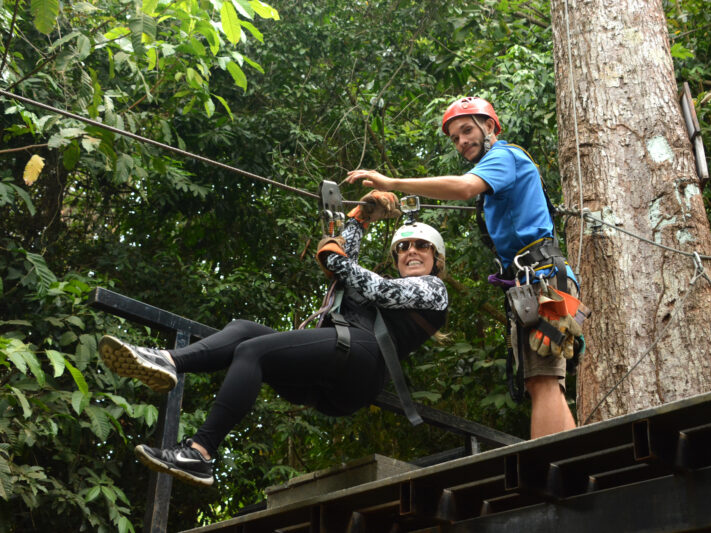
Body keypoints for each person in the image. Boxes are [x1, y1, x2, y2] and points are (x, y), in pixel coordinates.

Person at [98, 191, 448, 487]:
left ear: (436, 259)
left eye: (421, 246)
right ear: (396, 256)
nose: (412, 251)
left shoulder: (433, 289)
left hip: (363, 362)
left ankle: (199, 453)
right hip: (333, 372)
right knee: (244, 329)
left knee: (254, 351)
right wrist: (360, 218)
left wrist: (334, 257)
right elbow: (348, 261)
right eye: (404, 246)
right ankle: (169, 361)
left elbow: (374, 285)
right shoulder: (381, 284)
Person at [346, 96, 582, 440]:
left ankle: (548, 467)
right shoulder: (500, 172)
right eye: (455, 138)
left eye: (467, 131)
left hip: (542, 279)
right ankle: (571, 460)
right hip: (542, 279)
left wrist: (392, 183)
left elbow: (464, 187)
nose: (462, 142)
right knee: (545, 383)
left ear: (490, 127)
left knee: (542, 382)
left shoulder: (504, 155)